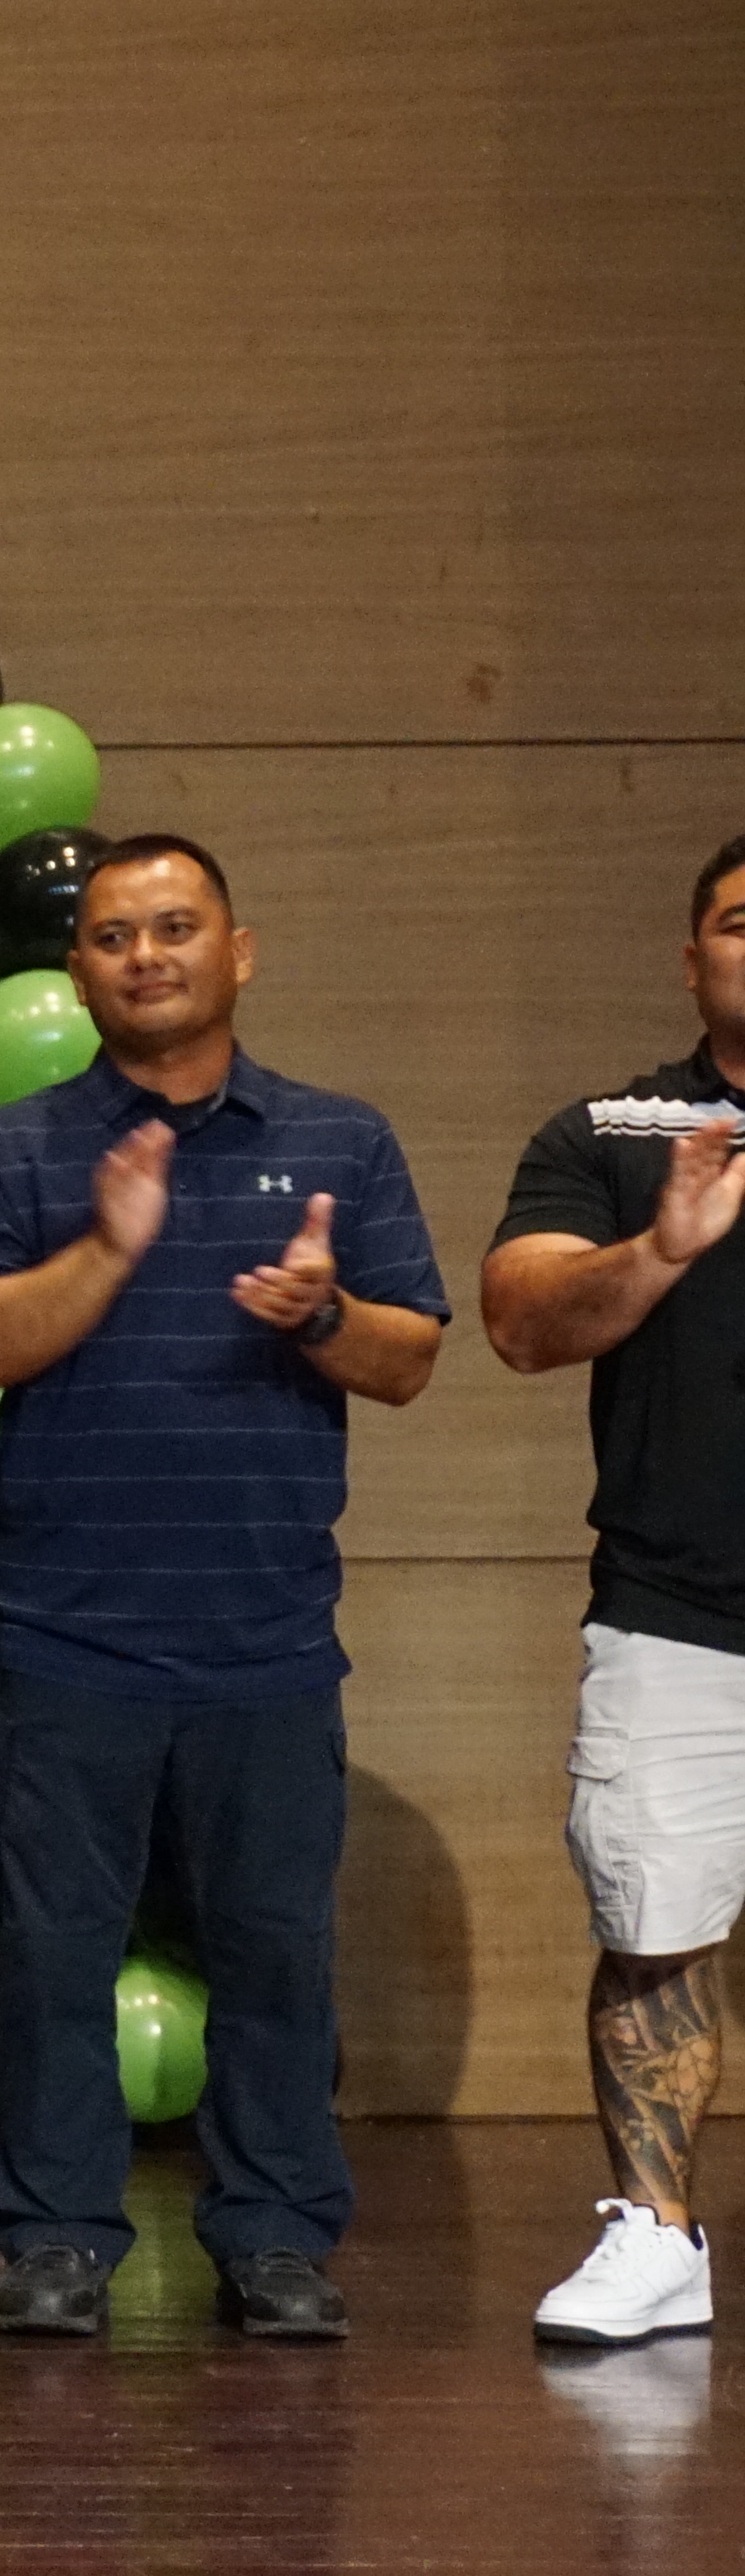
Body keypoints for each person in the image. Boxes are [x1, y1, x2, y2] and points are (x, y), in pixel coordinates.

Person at [0, 835, 443, 2342]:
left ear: (240, 952)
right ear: (77, 969)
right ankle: (56, 2240)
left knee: (278, 1956)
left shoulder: (340, 1142)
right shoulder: (16, 1152)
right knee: (52, 1965)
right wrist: (110, 1245)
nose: (145, 955)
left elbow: (410, 1359)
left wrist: (324, 1313)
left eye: (175, 929)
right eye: (111, 935)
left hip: (265, 1639)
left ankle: (277, 2235)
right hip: (66, 1638)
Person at [479, 827, 745, 2346]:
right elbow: (520, 1322)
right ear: (693, 951)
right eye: (740, 921)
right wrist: (662, 1246)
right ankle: (657, 2236)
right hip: (683, 1608)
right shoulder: (618, 1128)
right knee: (655, 1928)